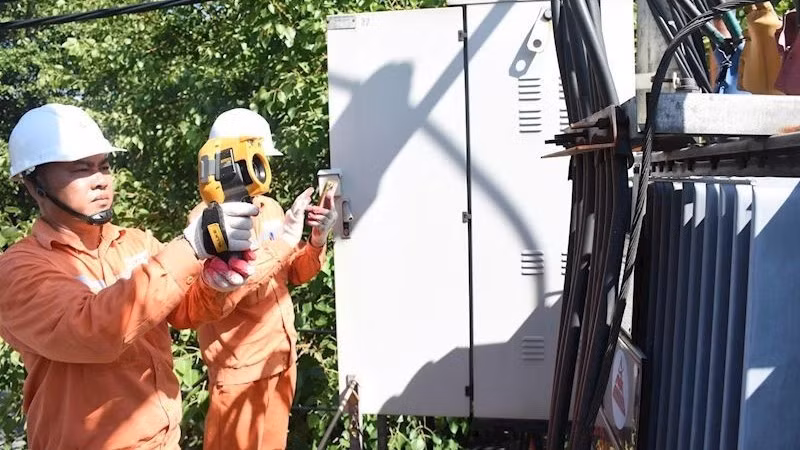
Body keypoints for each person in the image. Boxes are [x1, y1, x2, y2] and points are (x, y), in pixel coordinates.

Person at [0, 103, 262, 449]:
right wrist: (191, 247)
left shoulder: (136, 242)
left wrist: (214, 286)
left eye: (104, 166)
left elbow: (184, 311)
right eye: (81, 170)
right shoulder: (19, 269)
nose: (100, 181)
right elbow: (93, 331)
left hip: (164, 441)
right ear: (34, 184)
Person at [192, 108, 337, 450]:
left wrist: (316, 240)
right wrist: (284, 242)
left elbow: (292, 272)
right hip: (239, 369)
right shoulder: (206, 222)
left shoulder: (269, 207)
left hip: (280, 358)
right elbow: (228, 291)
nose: (262, 167)